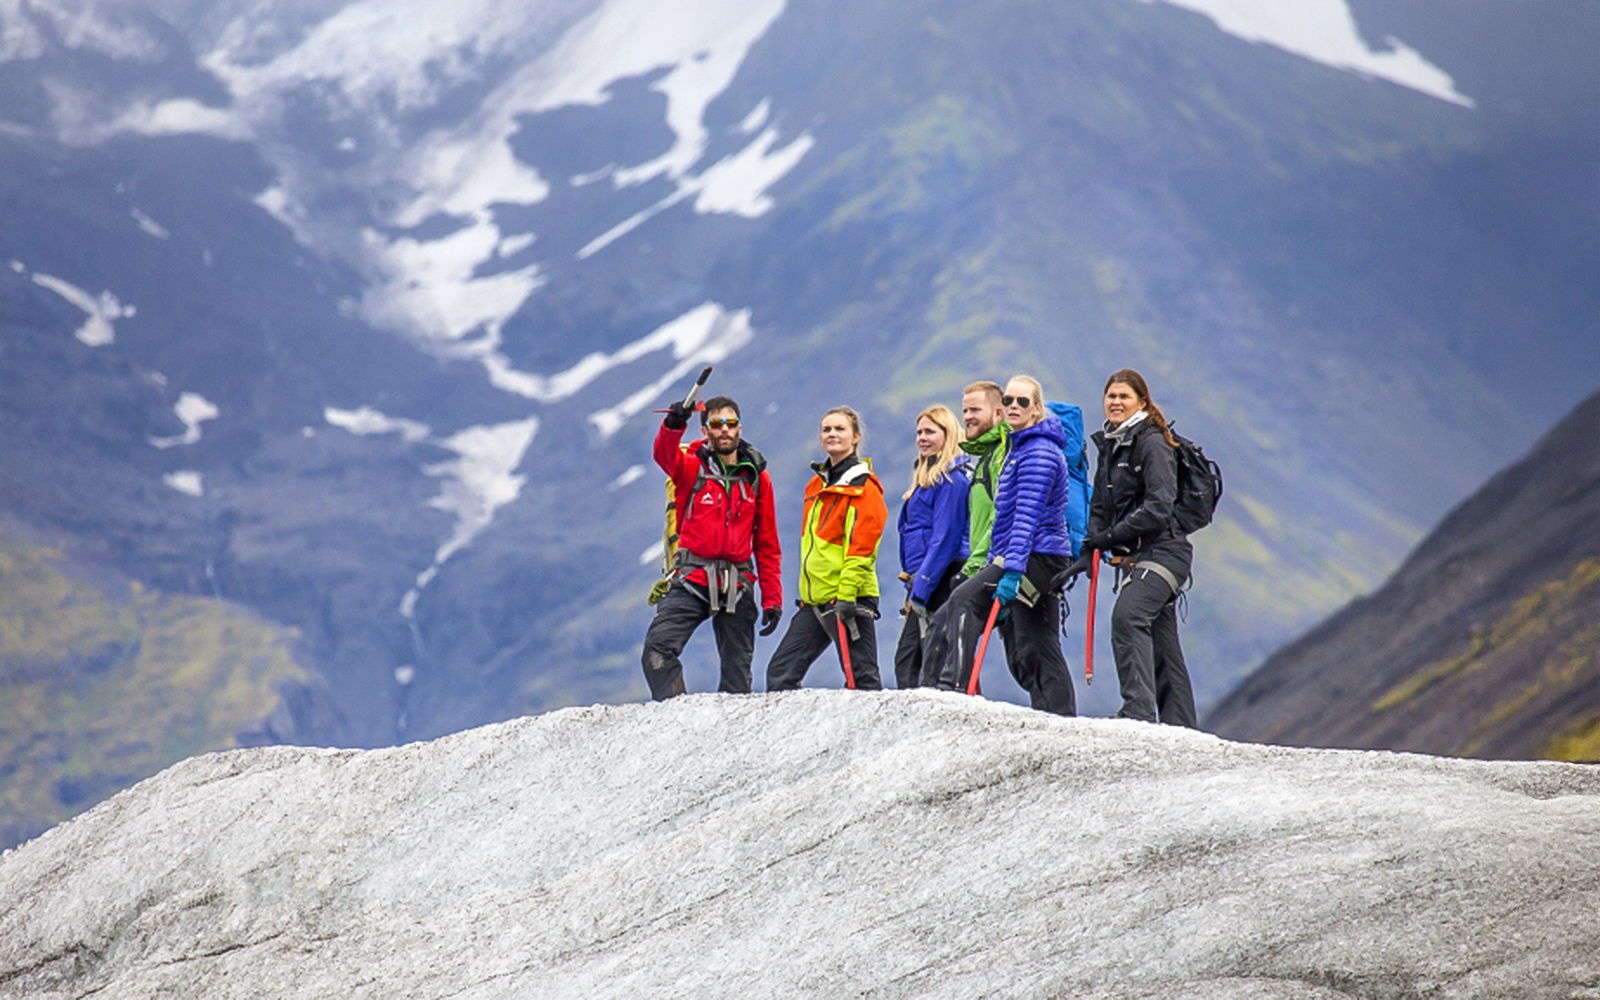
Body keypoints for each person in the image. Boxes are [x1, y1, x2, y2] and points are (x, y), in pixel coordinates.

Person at [929, 376, 1076, 715]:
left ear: (1037, 409)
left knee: (964, 600)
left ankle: (954, 686)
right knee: (1037, 641)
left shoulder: (1037, 452)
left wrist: (1010, 569)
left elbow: (1026, 518)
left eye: (1022, 402)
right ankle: (1059, 716)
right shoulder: (1021, 447)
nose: (1013, 406)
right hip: (1039, 555)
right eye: (1009, 400)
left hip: (1035, 555)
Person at [1064, 369, 1197, 726]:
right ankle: (1181, 728)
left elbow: (1159, 506)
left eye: (1124, 396)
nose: (1116, 402)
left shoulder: (1151, 441)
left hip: (1165, 553)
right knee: (1163, 647)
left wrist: (1106, 539)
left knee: (1128, 616)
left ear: (1141, 401)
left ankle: (1137, 711)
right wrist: (1088, 547)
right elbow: (1100, 507)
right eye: (1111, 396)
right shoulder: (1110, 443)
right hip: (1137, 558)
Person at [641, 394, 782, 700]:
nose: (725, 430)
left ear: (740, 428)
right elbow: (665, 456)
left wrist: (772, 598)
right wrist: (673, 425)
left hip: (738, 583)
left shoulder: (757, 478)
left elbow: (767, 543)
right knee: (657, 651)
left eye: (731, 423)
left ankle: (730, 737)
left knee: (738, 675)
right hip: (692, 578)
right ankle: (676, 719)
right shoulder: (690, 469)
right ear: (705, 431)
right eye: (716, 424)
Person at [766, 406, 888, 692]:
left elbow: (862, 548)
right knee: (780, 673)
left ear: (856, 437)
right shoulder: (816, 485)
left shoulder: (864, 488)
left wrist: (846, 597)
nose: (832, 434)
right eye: (826, 429)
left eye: (840, 429)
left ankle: (874, 736)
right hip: (815, 601)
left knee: (862, 681)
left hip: (848, 599)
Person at [892, 405, 969, 689]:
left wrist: (920, 589)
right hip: (926, 578)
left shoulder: (952, 481)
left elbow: (945, 539)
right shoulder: (928, 479)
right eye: (919, 432)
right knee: (910, 659)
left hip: (942, 576)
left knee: (922, 658)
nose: (922, 438)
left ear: (947, 435)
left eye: (930, 432)